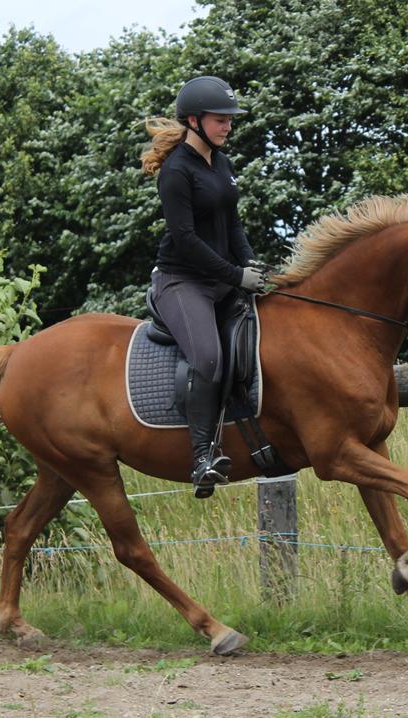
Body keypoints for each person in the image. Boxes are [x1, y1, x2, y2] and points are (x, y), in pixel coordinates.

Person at [140, 75, 267, 498]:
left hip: (222, 278)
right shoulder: (176, 171)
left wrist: (249, 263)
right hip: (182, 280)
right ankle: (201, 457)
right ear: (194, 120)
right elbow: (186, 240)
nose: (228, 126)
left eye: (230, 120)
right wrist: (235, 276)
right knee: (209, 357)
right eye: (220, 120)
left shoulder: (222, 164)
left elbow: (232, 225)